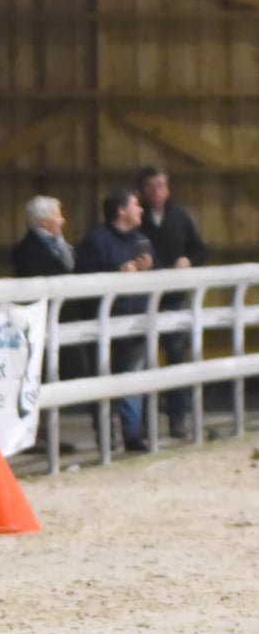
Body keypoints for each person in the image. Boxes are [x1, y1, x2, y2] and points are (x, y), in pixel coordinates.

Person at [74, 189, 154, 453]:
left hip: (135, 320)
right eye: (136, 205)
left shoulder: (142, 240)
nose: (141, 210)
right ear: (121, 210)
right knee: (103, 379)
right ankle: (107, 437)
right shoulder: (95, 241)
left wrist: (148, 268)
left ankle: (132, 435)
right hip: (104, 323)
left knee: (133, 381)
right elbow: (83, 278)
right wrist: (116, 273)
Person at [136, 165, 207, 439]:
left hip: (175, 297)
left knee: (177, 358)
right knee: (142, 360)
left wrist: (188, 260)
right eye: (151, 186)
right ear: (143, 190)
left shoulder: (180, 216)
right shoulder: (137, 219)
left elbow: (199, 248)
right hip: (144, 299)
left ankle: (178, 418)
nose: (157, 191)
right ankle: (143, 423)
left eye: (161, 185)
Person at [12, 195, 75, 278]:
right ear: (43, 221)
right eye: (58, 216)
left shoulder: (58, 241)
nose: (62, 220)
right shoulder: (29, 250)